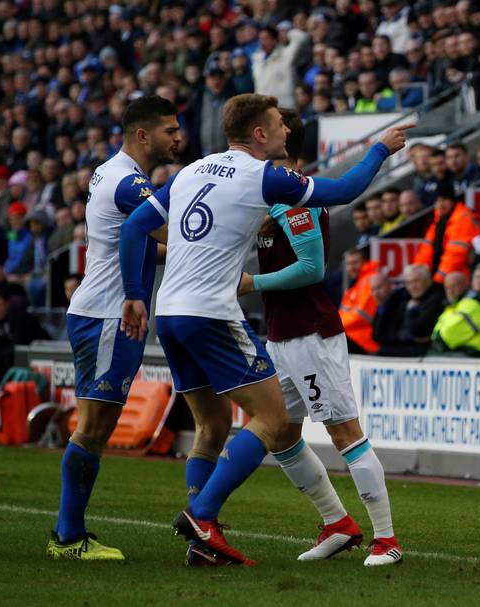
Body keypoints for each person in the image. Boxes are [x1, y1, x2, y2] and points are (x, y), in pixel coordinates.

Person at [118, 93, 410, 565]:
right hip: (214, 314)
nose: (287, 132)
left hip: (169, 312)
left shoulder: (189, 171)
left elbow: (133, 229)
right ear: (260, 133)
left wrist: (134, 294)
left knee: (218, 427)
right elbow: (344, 190)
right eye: (279, 124)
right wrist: (379, 149)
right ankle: (204, 516)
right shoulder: (265, 178)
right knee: (272, 422)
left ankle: (226, 535)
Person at [239, 108, 402, 567]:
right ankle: (337, 523)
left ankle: (387, 539)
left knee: (345, 433)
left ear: (282, 140)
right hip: (280, 336)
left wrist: (253, 283)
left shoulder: (296, 196)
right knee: (281, 435)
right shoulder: (268, 194)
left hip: (312, 335)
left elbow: (312, 270)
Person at [46, 96, 182, 562]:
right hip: (109, 314)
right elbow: (177, 233)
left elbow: (149, 245)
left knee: (93, 426)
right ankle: (68, 537)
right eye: (169, 130)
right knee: (95, 427)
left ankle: (68, 533)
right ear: (143, 135)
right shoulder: (129, 184)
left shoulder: (112, 171)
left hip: (98, 309)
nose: (177, 137)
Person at [412, 183, 480, 283]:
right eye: (437, 201)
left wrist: (437, 279)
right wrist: (419, 275)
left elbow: (456, 255)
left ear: (452, 200)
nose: (440, 205)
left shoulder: (463, 218)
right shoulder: (438, 220)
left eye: (444, 200)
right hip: (441, 276)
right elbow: (425, 251)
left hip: (460, 276)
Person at [372, 263, 444, 357]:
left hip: (423, 352)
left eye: (416, 281)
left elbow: (418, 331)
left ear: (428, 281)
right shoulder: (402, 297)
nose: (412, 286)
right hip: (402, 347)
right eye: (408, 283)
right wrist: (382, 308)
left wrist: (411, 310)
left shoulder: (436, 299)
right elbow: (379, 335)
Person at [430, 268, 480, 357]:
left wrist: (437, 340)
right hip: (466, 351)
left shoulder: (472, 303)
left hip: (476, 353)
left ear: (466, 284)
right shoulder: (456, 304)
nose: (450, 291)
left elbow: (449, 336)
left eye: (454, 286)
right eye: (447, 287)